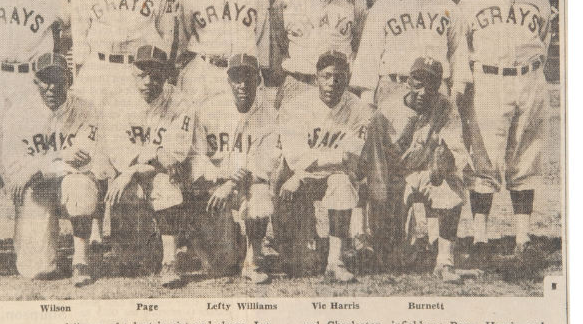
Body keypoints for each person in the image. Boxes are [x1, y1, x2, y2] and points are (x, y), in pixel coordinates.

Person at [456, 0, 551, 268]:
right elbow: (461, 48)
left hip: (529, 80)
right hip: (488, 82)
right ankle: (481, 237)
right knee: (483, 159)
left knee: (526, 157)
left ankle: (522, 236)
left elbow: (543, 42)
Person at [0, 53, 101, 286]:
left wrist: (39, 167)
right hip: (37, 190)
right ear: (35, 82)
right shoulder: (18, 113)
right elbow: (16, 169)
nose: (52, 87)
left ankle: (80, 260)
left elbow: (82, 161)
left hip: (68, 182)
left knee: (80, 185)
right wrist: (60, 158)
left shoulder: (86, 110)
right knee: (37, 270)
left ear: (69, 80)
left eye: (58, 79)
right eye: (45, 80)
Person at [97, 45, 195, 288]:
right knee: (131, 263)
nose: (149, 81)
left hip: (162, 174)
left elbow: (172, 156)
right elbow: (118, 153)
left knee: (165, 185)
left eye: (156, 75)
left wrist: (134, 169)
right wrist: (138, 164)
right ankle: (134, 246)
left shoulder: (181, 102)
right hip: (129, 176)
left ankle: (170, 261)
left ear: (166, 75)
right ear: (132, 73)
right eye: (142, 74)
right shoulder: (117, 101)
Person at [275, 51, 375, 282]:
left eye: (338, 77)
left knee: (342, 182)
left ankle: (335, 261)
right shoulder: (296, 106)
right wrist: (304, 172)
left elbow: (351, 158)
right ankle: (289, 247)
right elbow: (294, 157)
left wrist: (308, 168)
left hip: (329, 175)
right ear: (316, 77)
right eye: (326, 76)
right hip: (300, 176)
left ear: (348, 78)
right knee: (298, 266)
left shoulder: (359, 108)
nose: (332, 83)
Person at [378, 57, 475, 282]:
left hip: (426, 171)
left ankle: (444, 261)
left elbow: (457, 149)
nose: (423, 91)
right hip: (394, 175)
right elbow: (374, 157)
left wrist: (445, 160)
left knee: (452, 186)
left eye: (431, 84)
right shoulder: (388, 108)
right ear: (408, 82)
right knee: (390, 257)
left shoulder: (445, 106)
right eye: (418, 82)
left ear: (438, 85)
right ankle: (390, 248)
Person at [190, 54, 278, 284]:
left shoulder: (269, 114)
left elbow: (266, 162)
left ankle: (253, 258)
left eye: (248, 77)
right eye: (236, 78)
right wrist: (218, 178)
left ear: (258, 80)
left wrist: (232, 182)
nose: (242, 84)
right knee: (220, 266)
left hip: (245, 185)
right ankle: (229, 244)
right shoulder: (208, 109)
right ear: (228, 80)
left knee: (260, 196)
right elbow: (196, 155)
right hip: (214, 187)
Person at [351, 0, 466, 107]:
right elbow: (369, 56)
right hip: (394, 85)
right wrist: (367, 100)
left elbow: (459, 54)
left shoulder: (447, 6)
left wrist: (457, 90)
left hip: (435, 89)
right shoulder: (383, 6)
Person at [271, 0, 368, 110]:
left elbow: (358, 47)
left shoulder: (354, 0)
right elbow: (280, 47)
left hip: (337, 86)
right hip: (299, 81)